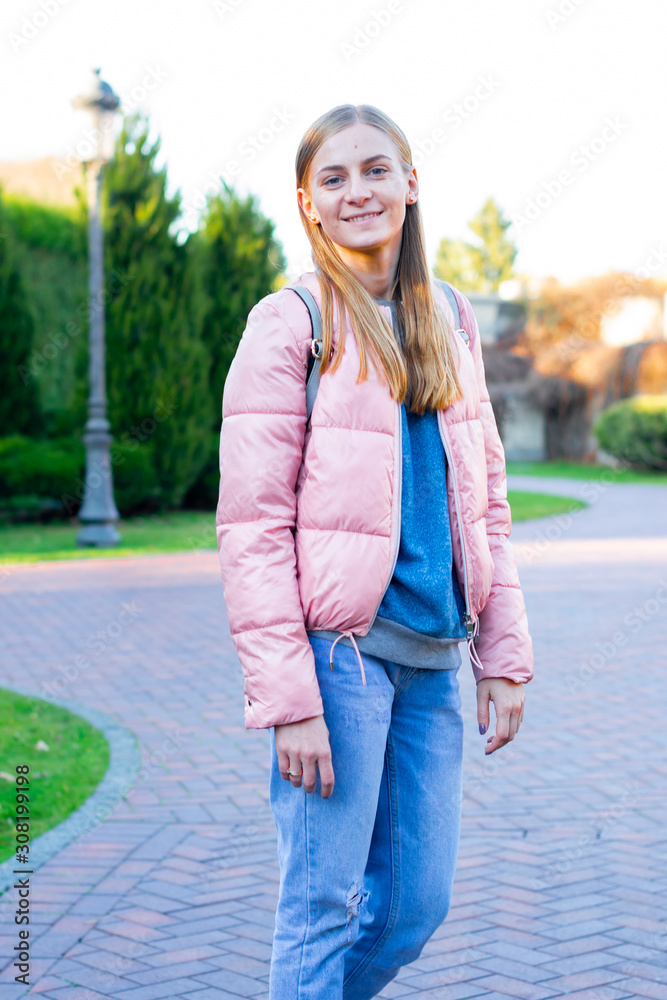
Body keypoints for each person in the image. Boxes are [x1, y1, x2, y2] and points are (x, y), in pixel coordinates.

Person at [216, 103, 533, 1000]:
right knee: (319, 905)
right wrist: (289, 701)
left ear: (410, 184)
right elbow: (251, 528)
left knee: (412, 909)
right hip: (338, 667)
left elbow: (488, 505)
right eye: (334, 177)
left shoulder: (452, 320)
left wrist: (501, 655)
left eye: (375, 169)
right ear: (308, 204)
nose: (358, 190)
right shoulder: (289, 323)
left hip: (433, 663)